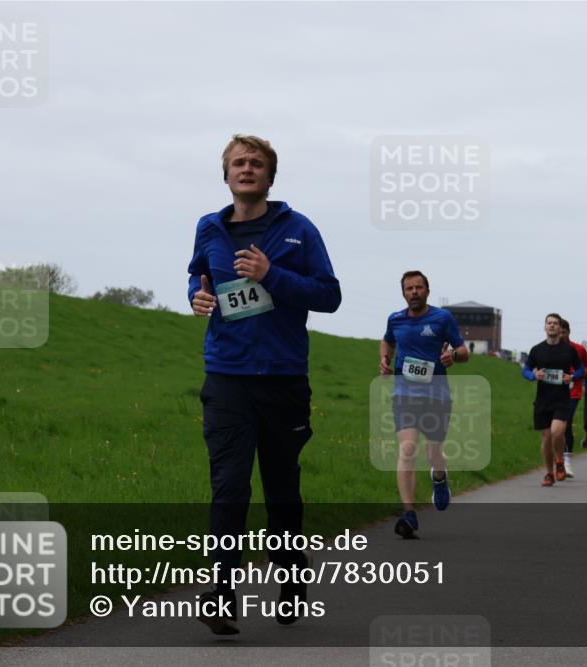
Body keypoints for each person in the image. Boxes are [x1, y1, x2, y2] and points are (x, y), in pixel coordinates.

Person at [188, 134, 342, 634]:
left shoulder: (298, 230)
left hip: (283, 379)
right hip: (226, 376)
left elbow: (329, 296)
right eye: (238, 162)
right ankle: (221, 594)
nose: (247, 168)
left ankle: (291, 570)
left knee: (281, 490)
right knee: (229, 485)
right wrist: (197, 296)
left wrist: (272, 274)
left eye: (256, 162)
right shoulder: (209, 227)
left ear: (270, 176)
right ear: (226, 174)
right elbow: (197, 276)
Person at [380, 271, 469, 539]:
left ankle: (439, 477)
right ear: (403, 293)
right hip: (404, 394)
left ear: (427, 291)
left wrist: (452, 356)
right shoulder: (395, 319)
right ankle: (409, 514)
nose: (414, 292)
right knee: (407, 449)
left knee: (433, 453)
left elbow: (463, 351)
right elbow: (388, 341)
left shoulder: (442, 318)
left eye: (419, 287)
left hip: (436, 396)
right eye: (409, 288)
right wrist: (385, 358)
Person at [524, 314, 585, 486]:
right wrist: (533, 375)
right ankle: (549, 473)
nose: (552, 326)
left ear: (560, 328)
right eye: (549, 323)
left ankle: (559, 461)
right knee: (546, 439)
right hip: (542, 400)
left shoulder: (569, 350)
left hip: (562, 399)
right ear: (545, 327)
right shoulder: (537, 350)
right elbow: (526, 369)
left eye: (555, 323)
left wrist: (572, 377)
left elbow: (581, 369)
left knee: (556, 432)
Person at [563, 329, 587, 469]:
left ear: (568, 332)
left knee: (567, 421)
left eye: (563, 332)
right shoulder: (551, 348)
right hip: (555, 392)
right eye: (559, 332)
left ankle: (567, 459)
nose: (561, 335)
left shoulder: (579, 349)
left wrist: (577, 376)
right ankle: (559, 456)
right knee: (556, 427)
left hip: (573, 391)